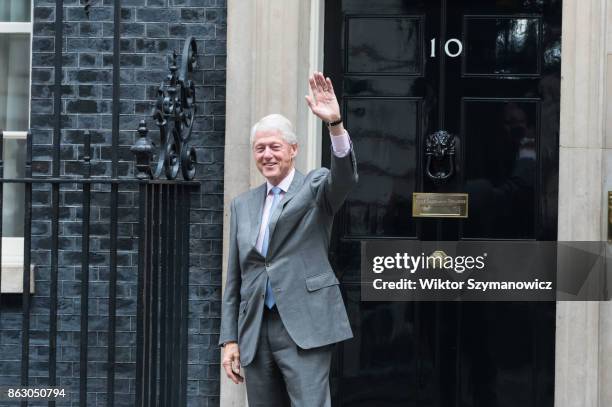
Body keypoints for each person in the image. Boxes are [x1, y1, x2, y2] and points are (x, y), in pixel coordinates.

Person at [218, 71, 358, 406]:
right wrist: (229, 340)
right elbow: (234, 280)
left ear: (293, 150)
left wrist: (335, 124)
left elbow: (345, 177)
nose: (266, 155)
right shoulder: (243, 204)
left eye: (275, 147)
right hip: (255, 329)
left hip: (303, 324)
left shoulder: (315, 188)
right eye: (259, 148)